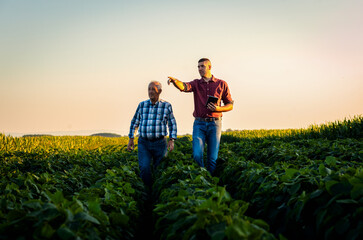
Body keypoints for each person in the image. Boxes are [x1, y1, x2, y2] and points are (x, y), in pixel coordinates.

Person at [167, 58, 233, 174]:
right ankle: (203, 176)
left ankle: (209, 182)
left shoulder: (221, 84)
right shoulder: (196, 83)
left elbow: (230, 105)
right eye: (198, 67)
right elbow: (184, 86)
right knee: (197, 155)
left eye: (202, 66)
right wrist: (175, 81)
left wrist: (218, 108)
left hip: (215, 123)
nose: (200, 69)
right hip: (199, 123)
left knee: (212, 158)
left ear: (209, 67)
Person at [127, 81, 177, 187]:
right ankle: (148, 190)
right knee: (144, 168)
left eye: (153, 89)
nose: (150, 92)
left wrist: (172, 139)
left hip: (160, 143)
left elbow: (172, 123)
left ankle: (156, 191)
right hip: (144, 142)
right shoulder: (142, 105)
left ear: (160, 91)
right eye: (149, 89)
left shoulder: (166, 106)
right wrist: (131, 138)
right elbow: (135, 122)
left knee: (159, 169)